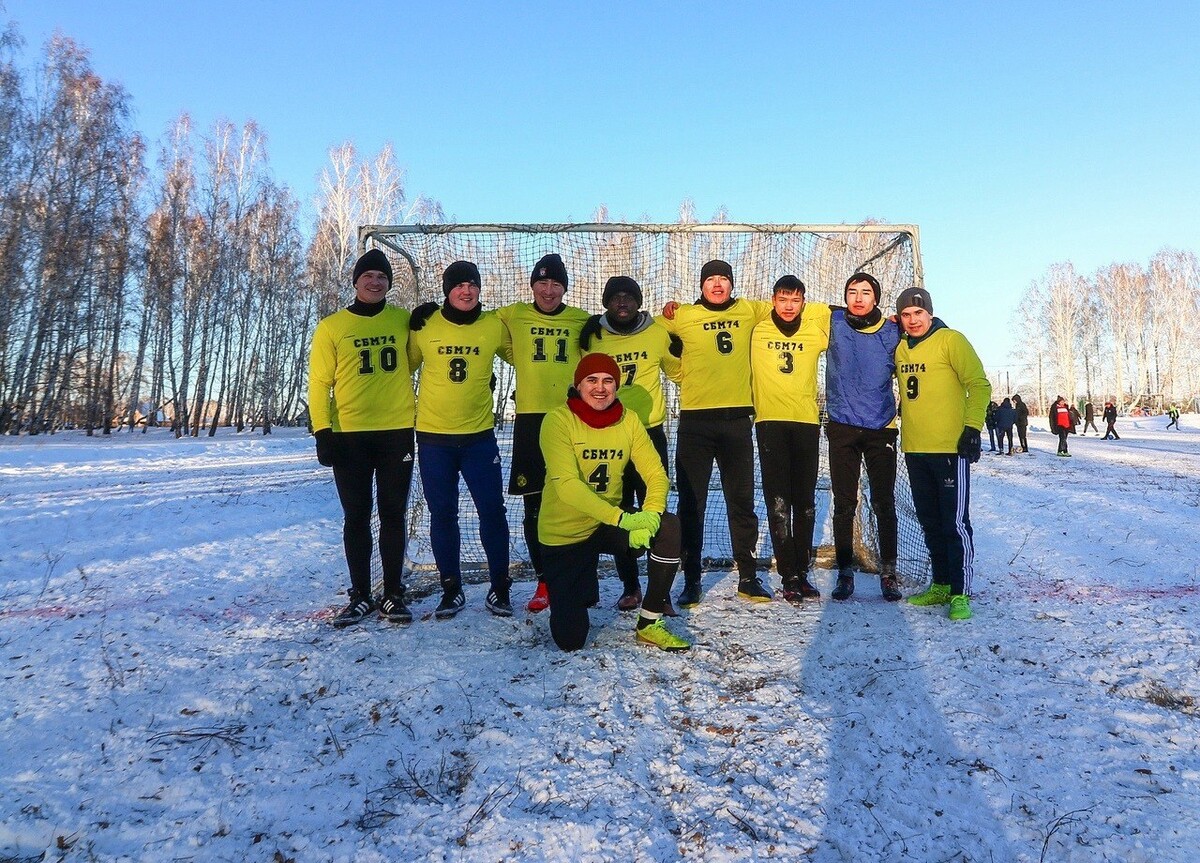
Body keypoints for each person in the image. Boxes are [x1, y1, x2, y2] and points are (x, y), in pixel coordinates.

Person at [539, 353, 690, 652]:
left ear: (617, 386)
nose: (600, 388)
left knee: (669, 526)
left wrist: (650, 513)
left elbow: (656, 474)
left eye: (608, 381)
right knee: (570, 640)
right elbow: (568, 487)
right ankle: (575, 591)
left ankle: (649, 623)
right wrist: (623, 519)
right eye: (592, 380)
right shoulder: (557, 420)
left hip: (605, 525)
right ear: (578, 384)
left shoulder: (629, 419)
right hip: (565, 535)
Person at [307, 249, 417, 627]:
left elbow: (421, 358)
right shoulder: (332, 327)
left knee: (392, 514)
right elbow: (319, 384)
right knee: (356, 515)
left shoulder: (403, 320)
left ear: (389, 283)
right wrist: (323, 430)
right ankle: (360, 595)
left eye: (382, 277)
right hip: (350, 435)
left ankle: (392, 593)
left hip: (397, 433)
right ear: (355, 282)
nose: (375, 282)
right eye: (368, 275)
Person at [660, 260, 773, 608]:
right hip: (696, 421)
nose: (718, 284)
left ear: (731, 284)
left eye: (724, 279)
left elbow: (790, 305)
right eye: (711, 279)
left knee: (741, 501)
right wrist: (676, 366)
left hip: (737, 420)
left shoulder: (749, 309)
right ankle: (691, 580)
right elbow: (649, 329)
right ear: (702, 285)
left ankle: (748, 578)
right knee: (692, 504)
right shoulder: (683, 314)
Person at [407, 261, 512, 619]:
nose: (466, 291)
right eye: (459, 285)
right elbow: (400, 367)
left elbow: (525, 354)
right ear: (446, 290)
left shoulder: (494, 325)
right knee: (443, 514)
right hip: (434, 439)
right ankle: (451, 589)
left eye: (472, 285)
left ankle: (500, 588)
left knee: (493, 512)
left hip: (478, 438)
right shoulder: (424, 325)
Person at [580, 276, 682, 612]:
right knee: (619, 512)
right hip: (610, 435)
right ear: (606, 303)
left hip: (649, 434)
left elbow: (678, 371)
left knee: (656, 511)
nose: (622, 303)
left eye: (629, 297)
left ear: (638, 302)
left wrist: (682, 341)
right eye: (615, 297)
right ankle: (630, 586)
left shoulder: (655, 333)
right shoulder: (593, 335)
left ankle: (660, 591)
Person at [497, 255, 591, 612]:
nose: (548, 291)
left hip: (570, 419)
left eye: (556, 284)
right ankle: (544, 580)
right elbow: (470, 320)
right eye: (542, 283)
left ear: (564, 288)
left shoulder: (581, 320)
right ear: (532, 285)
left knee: (576, 500)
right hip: (531, 421)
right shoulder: (513, 314)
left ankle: (578, 576)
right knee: (534, 507)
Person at [894, 287, 990, 621]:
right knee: (930, 521)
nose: (913, 320)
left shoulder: (951, 340)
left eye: (918, 314)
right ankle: (941, 583)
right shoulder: (901, 348)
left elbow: (979, 384)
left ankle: (961, 592)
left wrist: (973, 427)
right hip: (915, 449)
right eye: (906, 315)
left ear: (930, 314)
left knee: (954, 523)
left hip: (950, 449)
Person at [750, 276, 832, 603]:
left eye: (795, 300)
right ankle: (788, 575)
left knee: (806, 502)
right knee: (779, 502)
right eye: (782, 299)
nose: (788, 306)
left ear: (803, 302)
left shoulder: (814, 329)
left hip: (806, 423)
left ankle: (802, 571)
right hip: (770, 423)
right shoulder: (756, 328)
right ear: (772, 300)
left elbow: (842, 314)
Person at [824, 272, 902, 602]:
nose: (858, 298)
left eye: (865, 292)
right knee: (844, 504)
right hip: (842, 425)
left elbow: (927, 329)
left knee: (884, 503)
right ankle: (845, 572)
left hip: (880, 427)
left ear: (876, 298)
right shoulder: (833, 321)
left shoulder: (892, 330)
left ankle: (888, 572)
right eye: (852, 292)